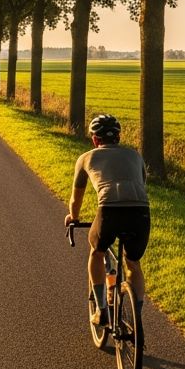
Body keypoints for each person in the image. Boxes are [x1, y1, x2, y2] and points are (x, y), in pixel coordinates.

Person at [64, 114, 150, 326]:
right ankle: (136, 320)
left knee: (97, 251)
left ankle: (102, 311)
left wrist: (73, 217)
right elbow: (141, 183)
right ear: (119, 137)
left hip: (109, 211)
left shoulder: (86, 158)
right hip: (141, 212)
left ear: (94, 139)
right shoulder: (135, 155)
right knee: (133, 263)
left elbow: (76, 199)